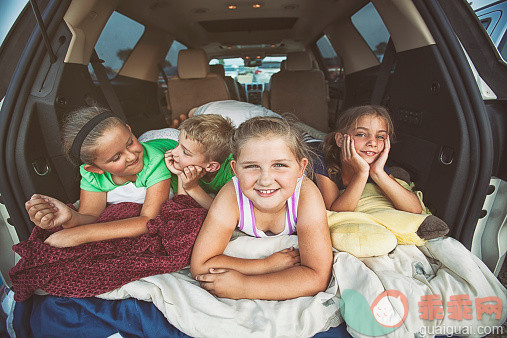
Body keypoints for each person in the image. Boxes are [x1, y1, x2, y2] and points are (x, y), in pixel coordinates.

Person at [190, 116, 333, 300]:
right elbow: (200, 266)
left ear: (300, 168)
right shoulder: (231, 195)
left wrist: (245, 286)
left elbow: (317, 276)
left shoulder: (306, 194)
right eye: (251, 166)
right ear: (235, 169)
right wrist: (265, 265)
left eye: (279, 165)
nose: (265, 180)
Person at [24, 106, 177, 247]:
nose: (131, 156)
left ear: (129, 130)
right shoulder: (92, 175)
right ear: (95, 169)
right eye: (116, 158)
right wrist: (70, 217)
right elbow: (91, 215)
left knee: (190, 128)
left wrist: (83, 234)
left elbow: (149, 221)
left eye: (130, 142)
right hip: (149, 139)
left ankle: (179, 121)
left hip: (169, 139)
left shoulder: (155, 161)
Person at [313, 105, 422, 214]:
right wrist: (362, 173)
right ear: (341, 140)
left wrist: (378, 172)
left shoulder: (375, 163)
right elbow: (336, 209)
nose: (373, 143)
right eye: (361, 134)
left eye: (380, 137)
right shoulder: (322, 160)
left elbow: (415, 209)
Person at [164, 114, 236, 209]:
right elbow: (182, 207)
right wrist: (180, 175)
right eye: (178, 143)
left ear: (211, 167)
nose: (173, 152)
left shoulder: (231, 174)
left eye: (185, 152)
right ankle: (175, 126)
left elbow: (222, 211)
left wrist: (192, 188)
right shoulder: (177, 166)